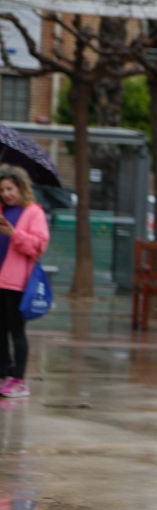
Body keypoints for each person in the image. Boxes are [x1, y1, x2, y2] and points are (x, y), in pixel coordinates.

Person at [0, 165, 50, 399]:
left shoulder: (33, 213)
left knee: (16, 331)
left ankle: (19, 380)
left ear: (21, 187)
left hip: (16, 282)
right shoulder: (2, 210)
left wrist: (14, 235)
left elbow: (38, 246)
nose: (6, 194)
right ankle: (4, 372)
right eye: (2, 190)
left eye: (10, 188)